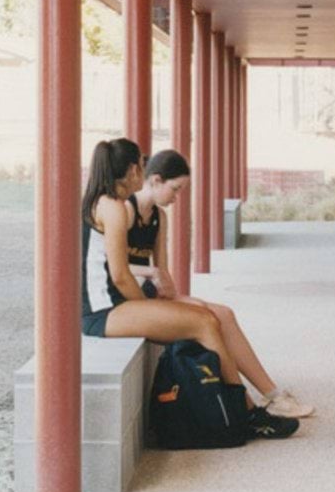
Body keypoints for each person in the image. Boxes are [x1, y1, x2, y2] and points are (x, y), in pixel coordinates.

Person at [81, 138, 314, 435]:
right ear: (131, 171)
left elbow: (137, 272)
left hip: (120, 304)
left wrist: (164, 298)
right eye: (140, 165)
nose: (142, 170)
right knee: (204, 321)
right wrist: (151, 307)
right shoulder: (114, 207)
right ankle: (247, 413)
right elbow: (120, 275)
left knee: (217, 316)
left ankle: (257, 406)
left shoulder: (108, 203)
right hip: (105, 311)